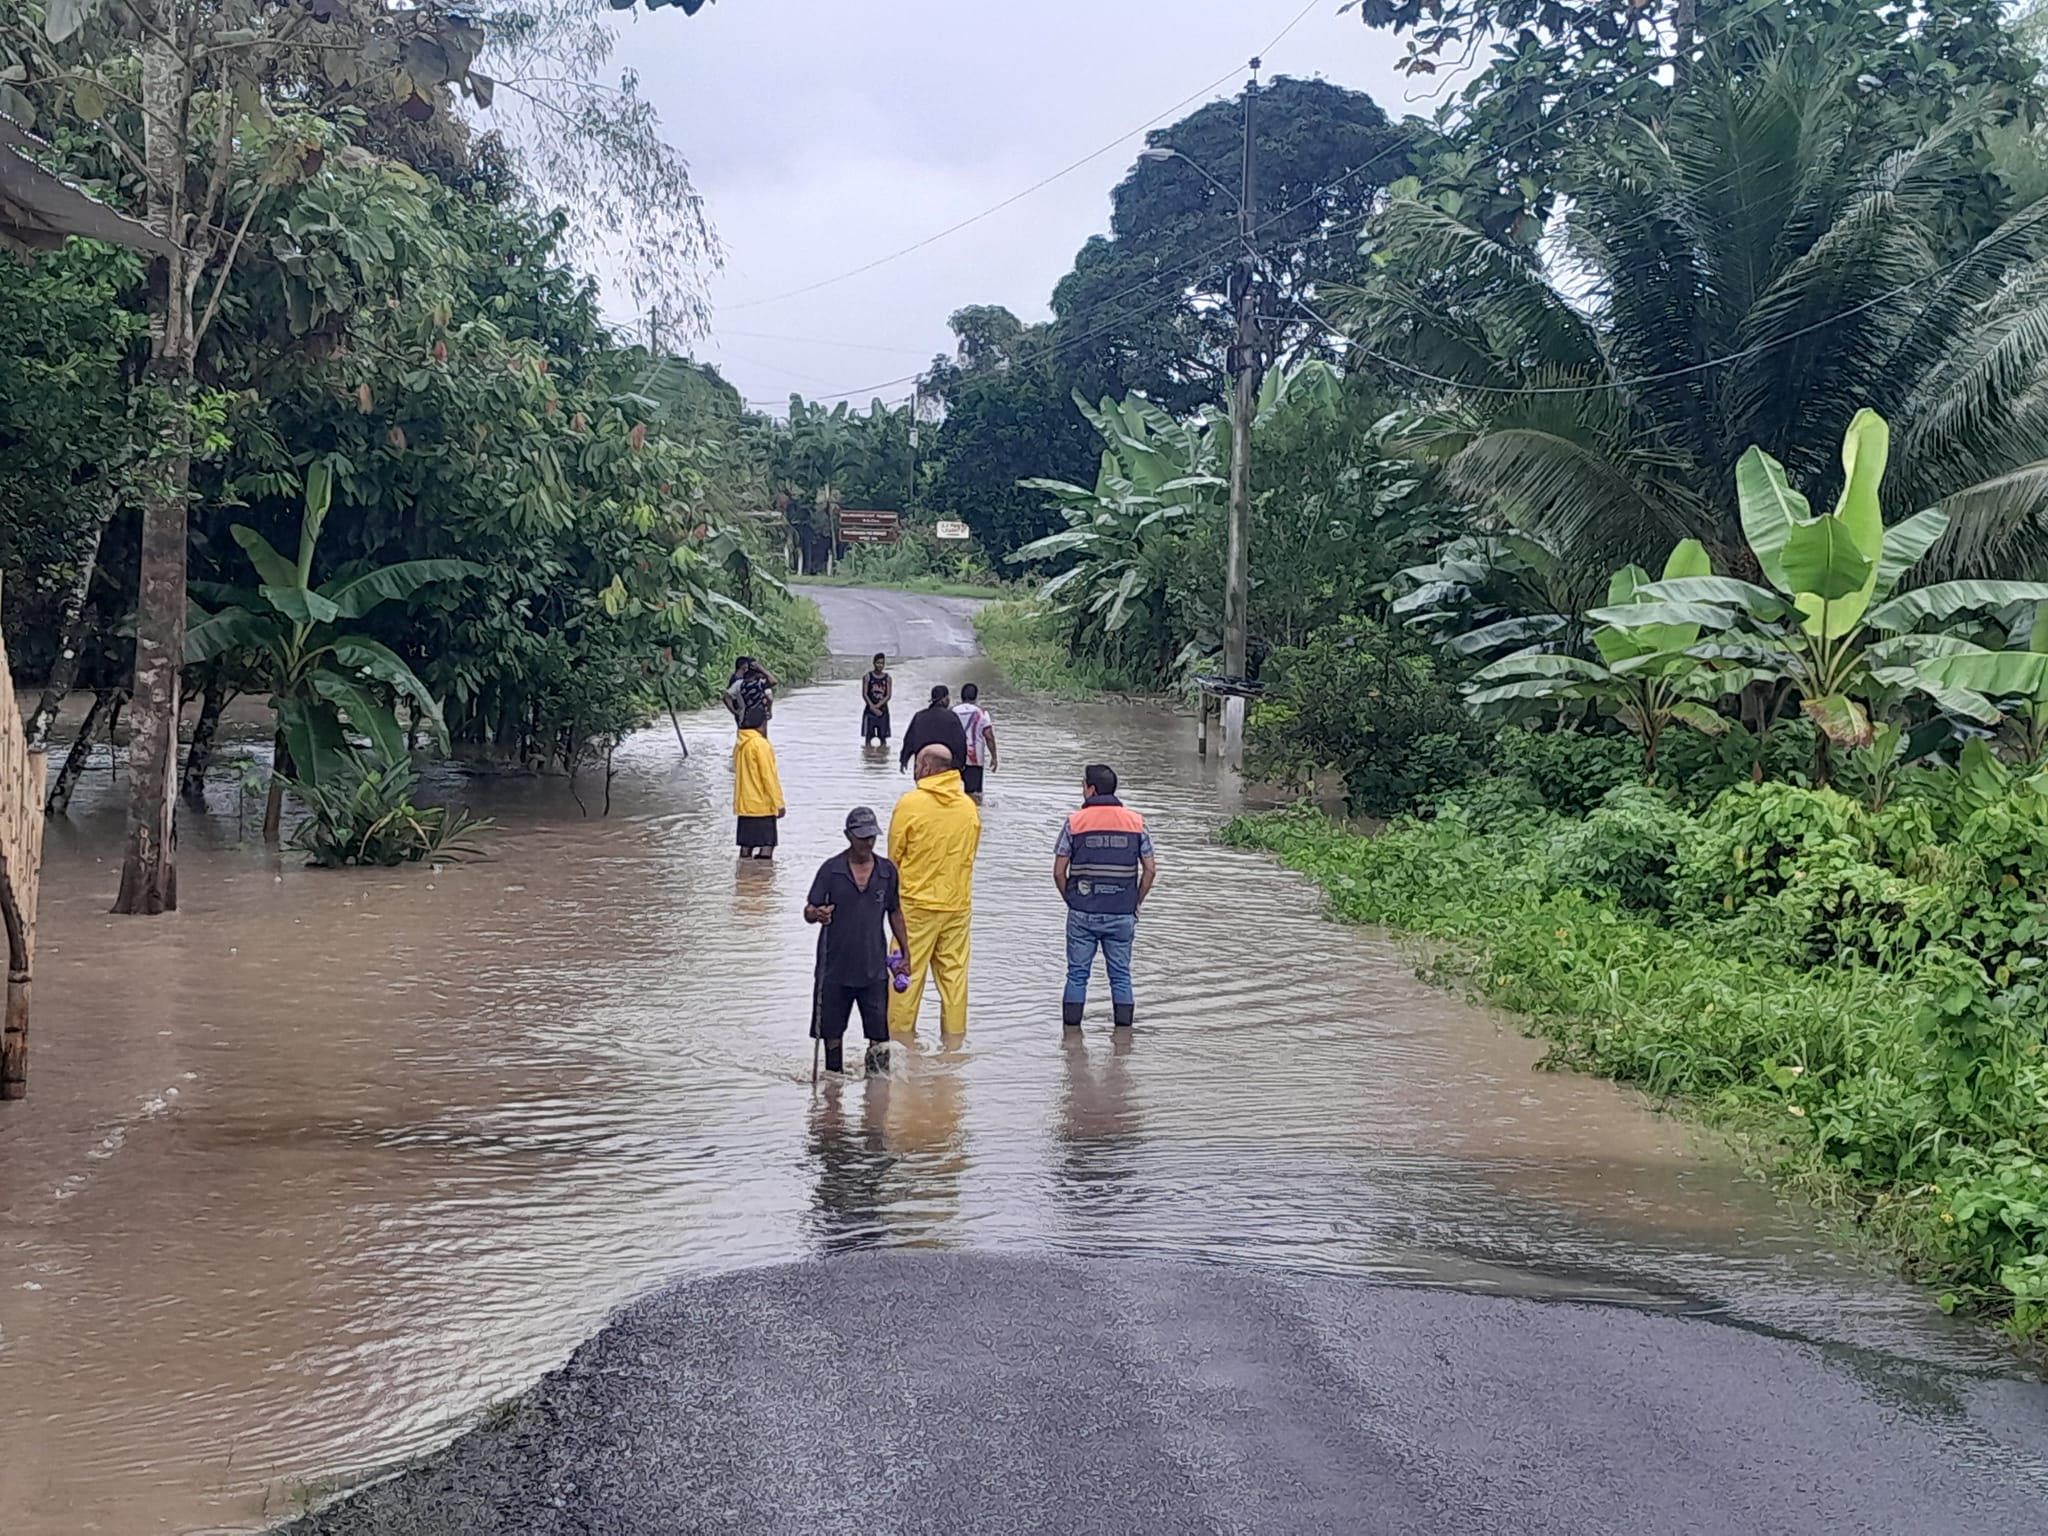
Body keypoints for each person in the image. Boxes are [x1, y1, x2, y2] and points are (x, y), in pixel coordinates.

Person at [805, 806, 911, 1075]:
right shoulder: (831, 871)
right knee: (831, 1036)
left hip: (873, 969)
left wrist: (905, 954)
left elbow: (895, 912)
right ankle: (832, 1095)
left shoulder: (887, 872)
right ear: (848, 836)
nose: (868, 842)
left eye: (871, 836)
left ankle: (876, 1098)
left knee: (879, 1039)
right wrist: (817, 914)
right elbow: (809, 910)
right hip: (834, 969)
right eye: (862, 836)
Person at [1052, 762, 1157, 1030]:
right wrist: (1135, 903)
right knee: (1121, 976)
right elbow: (1150, 871)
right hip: (1122, 912)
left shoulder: (1074, 822)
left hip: (1082, 912)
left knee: (1077, 976)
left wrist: (1072, 901)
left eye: (1083, 785)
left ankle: (1070, 1042)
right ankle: (1123, 1043)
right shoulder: (1136, 822)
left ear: (1092, 789)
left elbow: (1058, 872)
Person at [886, 744, 981, 1038]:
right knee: (954, 979)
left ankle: (898, 1043)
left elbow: (893, 857)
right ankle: (954, 1046)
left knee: (905, 975)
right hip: (957, 906)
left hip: (914, 907)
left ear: (926, 768)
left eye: (917, 765)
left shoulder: (910, 803)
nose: (915, 771)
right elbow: (971, 854)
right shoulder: (968, 807)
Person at [731, 704, 786, 859]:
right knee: (767, 846)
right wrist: (778, 803)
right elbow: (768, 777)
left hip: (745, 806)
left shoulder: (740, 744)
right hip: (762, 806)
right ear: (762, 723)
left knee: (745, 848)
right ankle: (762, 880)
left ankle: (744, 879)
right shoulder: (761, 745)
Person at [898, 684, 968, 774]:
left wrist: (904, 760)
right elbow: (960, 742)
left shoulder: (919, 716)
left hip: (923, 765)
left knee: (924, 787)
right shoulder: (951, 717)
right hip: (944, 764)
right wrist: (960, 764)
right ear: (944, 699)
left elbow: (909, 740)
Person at [951, 681, 998, 798]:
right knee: (974, 795)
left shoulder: (952, 711)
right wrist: (994, 757)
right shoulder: (982, 712)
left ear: (962, 696)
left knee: (952, 794)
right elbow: (989, 736)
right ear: (976, 697)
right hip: (975, 759)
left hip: (954, 758)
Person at [725, 655, 778, 728]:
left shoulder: (737, 682)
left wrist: (734, 711)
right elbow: (772, 686)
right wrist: (761, 669)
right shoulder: (758, 683)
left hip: (743, 715)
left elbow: (727, 697)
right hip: (756, 717)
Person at [861, 653, 894, 746]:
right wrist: (871, 706)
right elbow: (864, 694)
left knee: (883, 738)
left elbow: (888, 695)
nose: (880, 665)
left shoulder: (887, 678)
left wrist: (878, 706)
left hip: (882, 711)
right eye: (878, 663)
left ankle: (882, 757)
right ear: (873, 663)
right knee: (868, 738)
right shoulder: (868, 676)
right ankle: (868, 758)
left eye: (882, 663)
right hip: (869, 711)